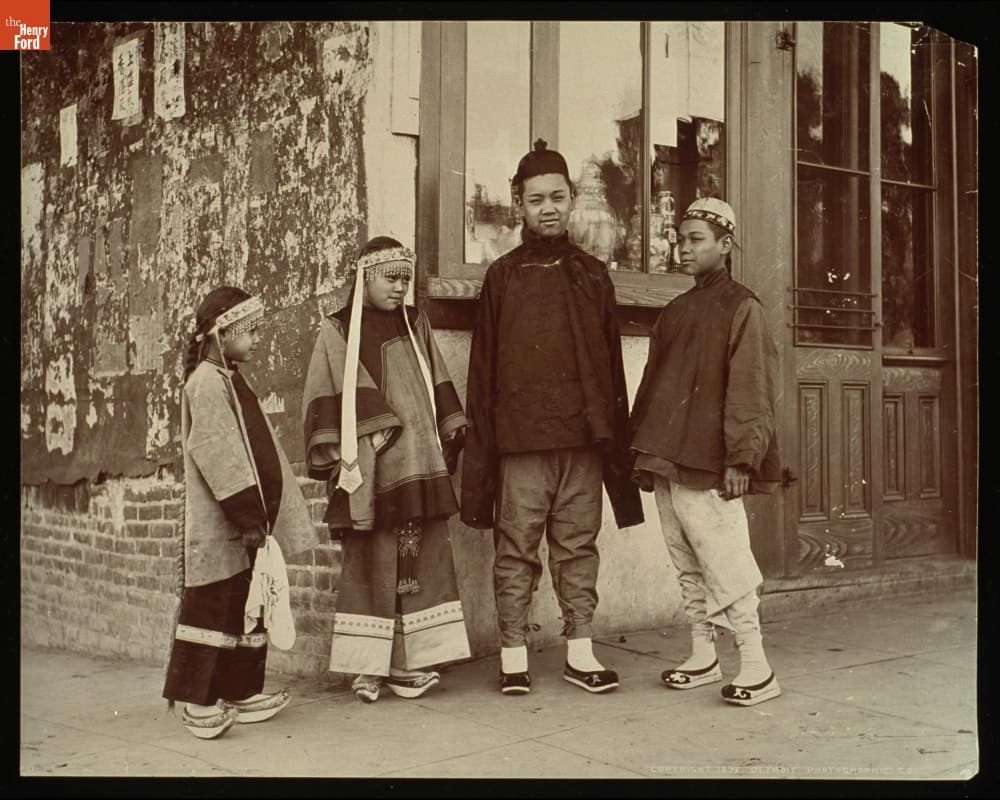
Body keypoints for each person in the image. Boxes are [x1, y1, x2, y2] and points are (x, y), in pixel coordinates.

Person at [462, 139, 644, 696]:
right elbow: (483, 371)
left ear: (571, 202)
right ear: (518, 204)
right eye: (536, 198)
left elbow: (611, 366)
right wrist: (486, 447)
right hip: (520, 445)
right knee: (515, 549)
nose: (548, 208)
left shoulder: (592, 274)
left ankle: (581, 653)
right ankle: (513, 656)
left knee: (577, 547)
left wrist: (615, 440)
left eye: (557, 197)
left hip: (583, 442)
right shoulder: (502, 277)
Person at [303, 236, 471, 703]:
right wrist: (372, 433)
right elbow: (327, 390)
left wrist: (451, 426)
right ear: (364, 278)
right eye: (391, 279)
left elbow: (435, 377)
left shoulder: (414, 321)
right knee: (373, 561)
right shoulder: (337, 329)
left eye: (406, 280)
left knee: (418, 561)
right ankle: (366, 669)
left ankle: (409, 661)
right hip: (372, 466)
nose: (400, 288)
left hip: (418, 463)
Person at [628, 197, 783, 706]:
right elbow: (652, 384)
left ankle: (756, 664)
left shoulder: (743, 307)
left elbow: (751, 388)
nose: (683, 247)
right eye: (681, 238)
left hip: (712, 462)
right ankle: (702, 654)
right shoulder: (676, 310)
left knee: (726, 560)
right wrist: (643, 453)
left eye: (696, 239)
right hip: (668, 455)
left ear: (725, 245)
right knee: (685, 559)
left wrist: (742, 458)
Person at [163, 286, 321, 739]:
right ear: (220, 333)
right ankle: (198, 701)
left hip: (250, 525)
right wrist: (247, 515)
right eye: (248, 332)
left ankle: (241, 691)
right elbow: (217, 451)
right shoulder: (207, 383)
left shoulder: (231, 377)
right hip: (226, 523)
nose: (256, 340)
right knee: (213, 606)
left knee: (247, 609)